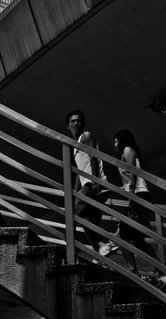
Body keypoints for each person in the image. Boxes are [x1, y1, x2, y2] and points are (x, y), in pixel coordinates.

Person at [113, 129, 166, 288]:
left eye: (116, 140)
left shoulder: (128, 150)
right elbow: (128, 178)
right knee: (137, 240)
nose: (114, 144)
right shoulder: (126, 152)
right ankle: (162, 273)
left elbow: (133, 171)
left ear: (122, 140)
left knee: (121, 237)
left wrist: (130, 190)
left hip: (139, 197)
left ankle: (134, 274)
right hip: (137, 198)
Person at [66, 109, 111, 257]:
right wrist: (72, 192)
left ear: (83, 123)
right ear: (68, 126)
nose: (76, 123)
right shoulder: (75, 146)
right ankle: (99, 253)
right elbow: (79, 172)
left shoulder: (86, 136)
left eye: (78, 120)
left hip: (94, 184)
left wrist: (96, 181)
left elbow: (93, 157)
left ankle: (102, 243)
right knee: (91, 221)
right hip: (89, 184)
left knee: (78, 211)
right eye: (72, 121)